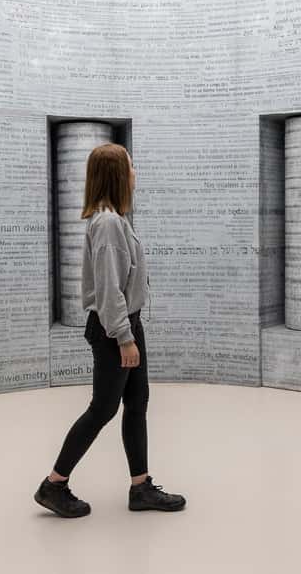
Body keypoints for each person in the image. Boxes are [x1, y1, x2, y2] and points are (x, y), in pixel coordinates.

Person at [34, 143, 186, 518]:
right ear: (118, 174)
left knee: (137, 403)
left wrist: (130, 329)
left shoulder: (115, 219)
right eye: (131, 166)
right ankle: (53, 485)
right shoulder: (107, 224)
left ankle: (141, 487)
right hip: (113, 330)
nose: (135, 172)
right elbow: (108, 289)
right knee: (102, 409)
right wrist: (124, 337)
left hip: (126, 324)